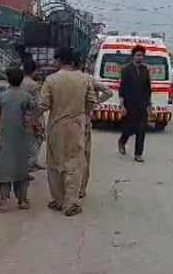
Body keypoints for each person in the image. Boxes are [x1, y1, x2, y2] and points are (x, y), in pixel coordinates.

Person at [39, 47, 96, 217]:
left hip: (56, 127)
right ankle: (70, 203)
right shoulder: (84, 79)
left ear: (58, 61)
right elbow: (92, 102)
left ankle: (58, 200)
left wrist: (31, 118)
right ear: (73, 61)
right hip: (77, 126)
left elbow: (44, 105)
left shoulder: (50, 80)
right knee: (74, 164)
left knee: (55, 162)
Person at [0, 67, 38, 213]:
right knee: (21, 168)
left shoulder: (2, 96)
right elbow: (35, 112)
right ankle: (23, 200)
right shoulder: (26, 96)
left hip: (5, 137)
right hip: (22, 136)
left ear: (7, 79)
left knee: (5, 170)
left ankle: (4, 202)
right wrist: (28, 125)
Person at [74, 57, 112, 199]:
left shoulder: (64, 79)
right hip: (85, 119)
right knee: (84, 155)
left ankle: (69, 187)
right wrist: (95, 103)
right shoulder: (89, 79)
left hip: (69, 119)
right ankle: (81, 189)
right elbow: (108, 92)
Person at [117, 45, 152, 162]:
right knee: (128, 128)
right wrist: (121, 105)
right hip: (129, 104)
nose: (140, 57)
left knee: (141, 130)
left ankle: (138, 154)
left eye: (142, 55)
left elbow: (148, 88)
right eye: (138, 55)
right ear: (133, 56)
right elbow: (122, 88)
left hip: (142, 105)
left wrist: (150, 104)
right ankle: (122, 141)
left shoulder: (145, 70)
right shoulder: (126, 70)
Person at [21, 60, 44, 176]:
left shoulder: (19, 81)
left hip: (20, 116)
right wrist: (38, 120)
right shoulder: (33, 85)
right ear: (34, 71)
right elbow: (37, 105)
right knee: (35, 143)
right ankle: (27, 168)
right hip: (32, 117)